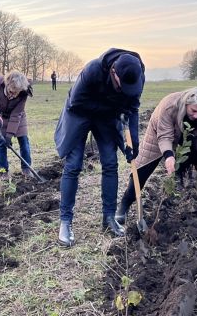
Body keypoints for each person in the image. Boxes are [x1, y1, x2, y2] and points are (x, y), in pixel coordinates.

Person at [54, 48, 145, 247]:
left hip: (105, 117)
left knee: (111, 163)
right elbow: (77, 102)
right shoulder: (93, 70)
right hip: (79, 114)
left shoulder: (137, 75)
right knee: (74, 165)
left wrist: (133, 144)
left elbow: (133, 109)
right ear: (114, 72)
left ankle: (108, 218)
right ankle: (66, 221)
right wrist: (112, 108)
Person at [115, 87, 197, 227]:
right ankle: (125, 204)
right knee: (141, 171)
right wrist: (169, 156)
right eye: (193, 111)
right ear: (186, 104)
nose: (196, 116)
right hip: (158, 138)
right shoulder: (169, 106)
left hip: (188, 139)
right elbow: (164, 137)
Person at [0, 70, 34, 179]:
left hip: (18, 117)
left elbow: (16, 115)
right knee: (0, 144)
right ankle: (3, 171)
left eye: (17, 92)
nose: (15, 94)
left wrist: (9, 135)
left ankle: (26, 169)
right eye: (13, 91)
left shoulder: (24, 92)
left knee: (24, 141)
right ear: (7, 84)